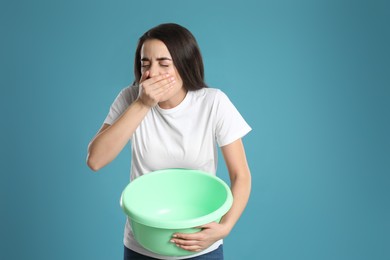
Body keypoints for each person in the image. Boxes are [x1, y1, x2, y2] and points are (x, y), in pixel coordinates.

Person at [86, 23, 252, 260]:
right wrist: (142, 105)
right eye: (146, 64)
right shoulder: (130, 98)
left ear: (184, 64)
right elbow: (95, 160)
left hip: (200, 246)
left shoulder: (214, 103)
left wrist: (225, 227)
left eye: (164, 64)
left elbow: (241, 176)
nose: (152, 73)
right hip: (142, 245)